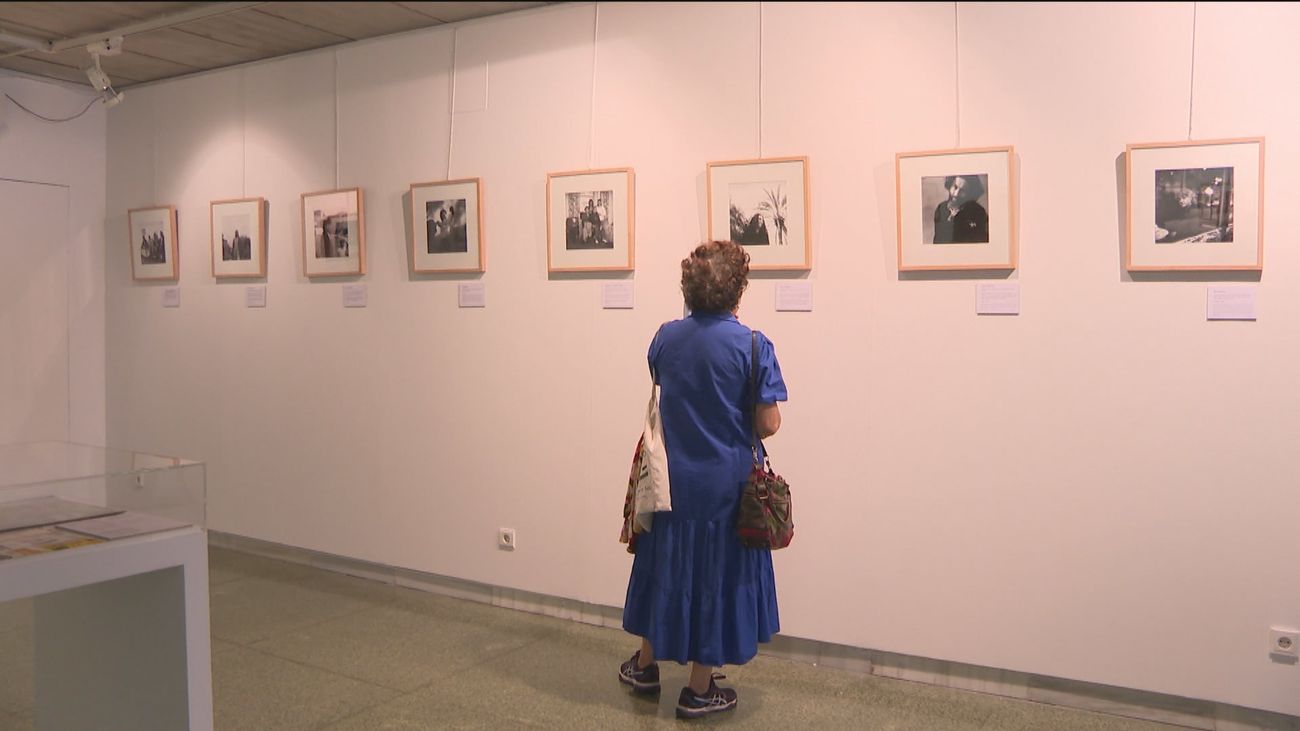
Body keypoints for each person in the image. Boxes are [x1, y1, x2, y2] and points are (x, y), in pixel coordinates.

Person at [619, 240, 787, 719]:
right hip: (726, 488)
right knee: (716, 578)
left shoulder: (665, 338)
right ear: (737, 290)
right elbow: (769, 423)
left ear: (688, 289)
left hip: (671, 481)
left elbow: (663, 386)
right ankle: (697, 690)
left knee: (664, 567)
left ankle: (645, 667)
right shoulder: (754, 346)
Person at [932, 174, 988, 243]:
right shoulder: (942, 208)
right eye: (955, 187)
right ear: (950, 185)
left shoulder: (978, 212)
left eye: (963, 191)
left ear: (970, 193)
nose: (956, 194)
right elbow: (938, 240)